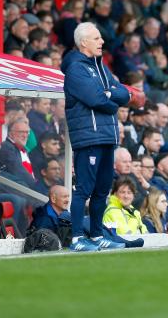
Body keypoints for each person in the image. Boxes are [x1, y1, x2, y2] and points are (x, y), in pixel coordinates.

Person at [61, 22, 132, 252]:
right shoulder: (76, 69)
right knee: (84, 189)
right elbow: (97, 100)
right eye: (97, 38)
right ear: (83, 43)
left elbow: (124, 93)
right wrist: (111, 99)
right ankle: (77, 238)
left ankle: (97, 235)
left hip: (107, 136)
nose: (102, 42)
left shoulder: (101, 67)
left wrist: (110, 93)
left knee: (102, 189)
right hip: (88, 137)